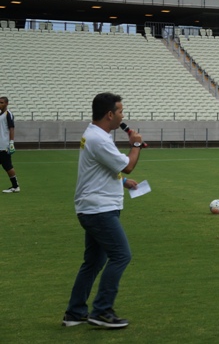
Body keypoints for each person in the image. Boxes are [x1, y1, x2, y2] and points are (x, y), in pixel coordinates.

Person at [63, 93, 143, 329]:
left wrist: (122, 182)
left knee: (94, 261)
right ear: (109, 114)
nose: (122, 116)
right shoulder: (99, 139)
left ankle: (75, 312)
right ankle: (102, 310)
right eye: (120, 111)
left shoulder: (95, 135)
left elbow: (98, 169)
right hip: (99, 209)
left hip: (94, 206)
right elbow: (128, 165)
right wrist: (136, 145)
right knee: (121, 255)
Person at [0, 96, 19, 193]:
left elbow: (11, 128)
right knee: (7, 166)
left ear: (6, 103)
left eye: (2, 102)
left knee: (8, 166)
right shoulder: (1, 115)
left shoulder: (8, 114)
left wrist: (11, 142)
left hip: (4, 146)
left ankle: (15, 186)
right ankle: (15, 186)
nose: (0, 104)